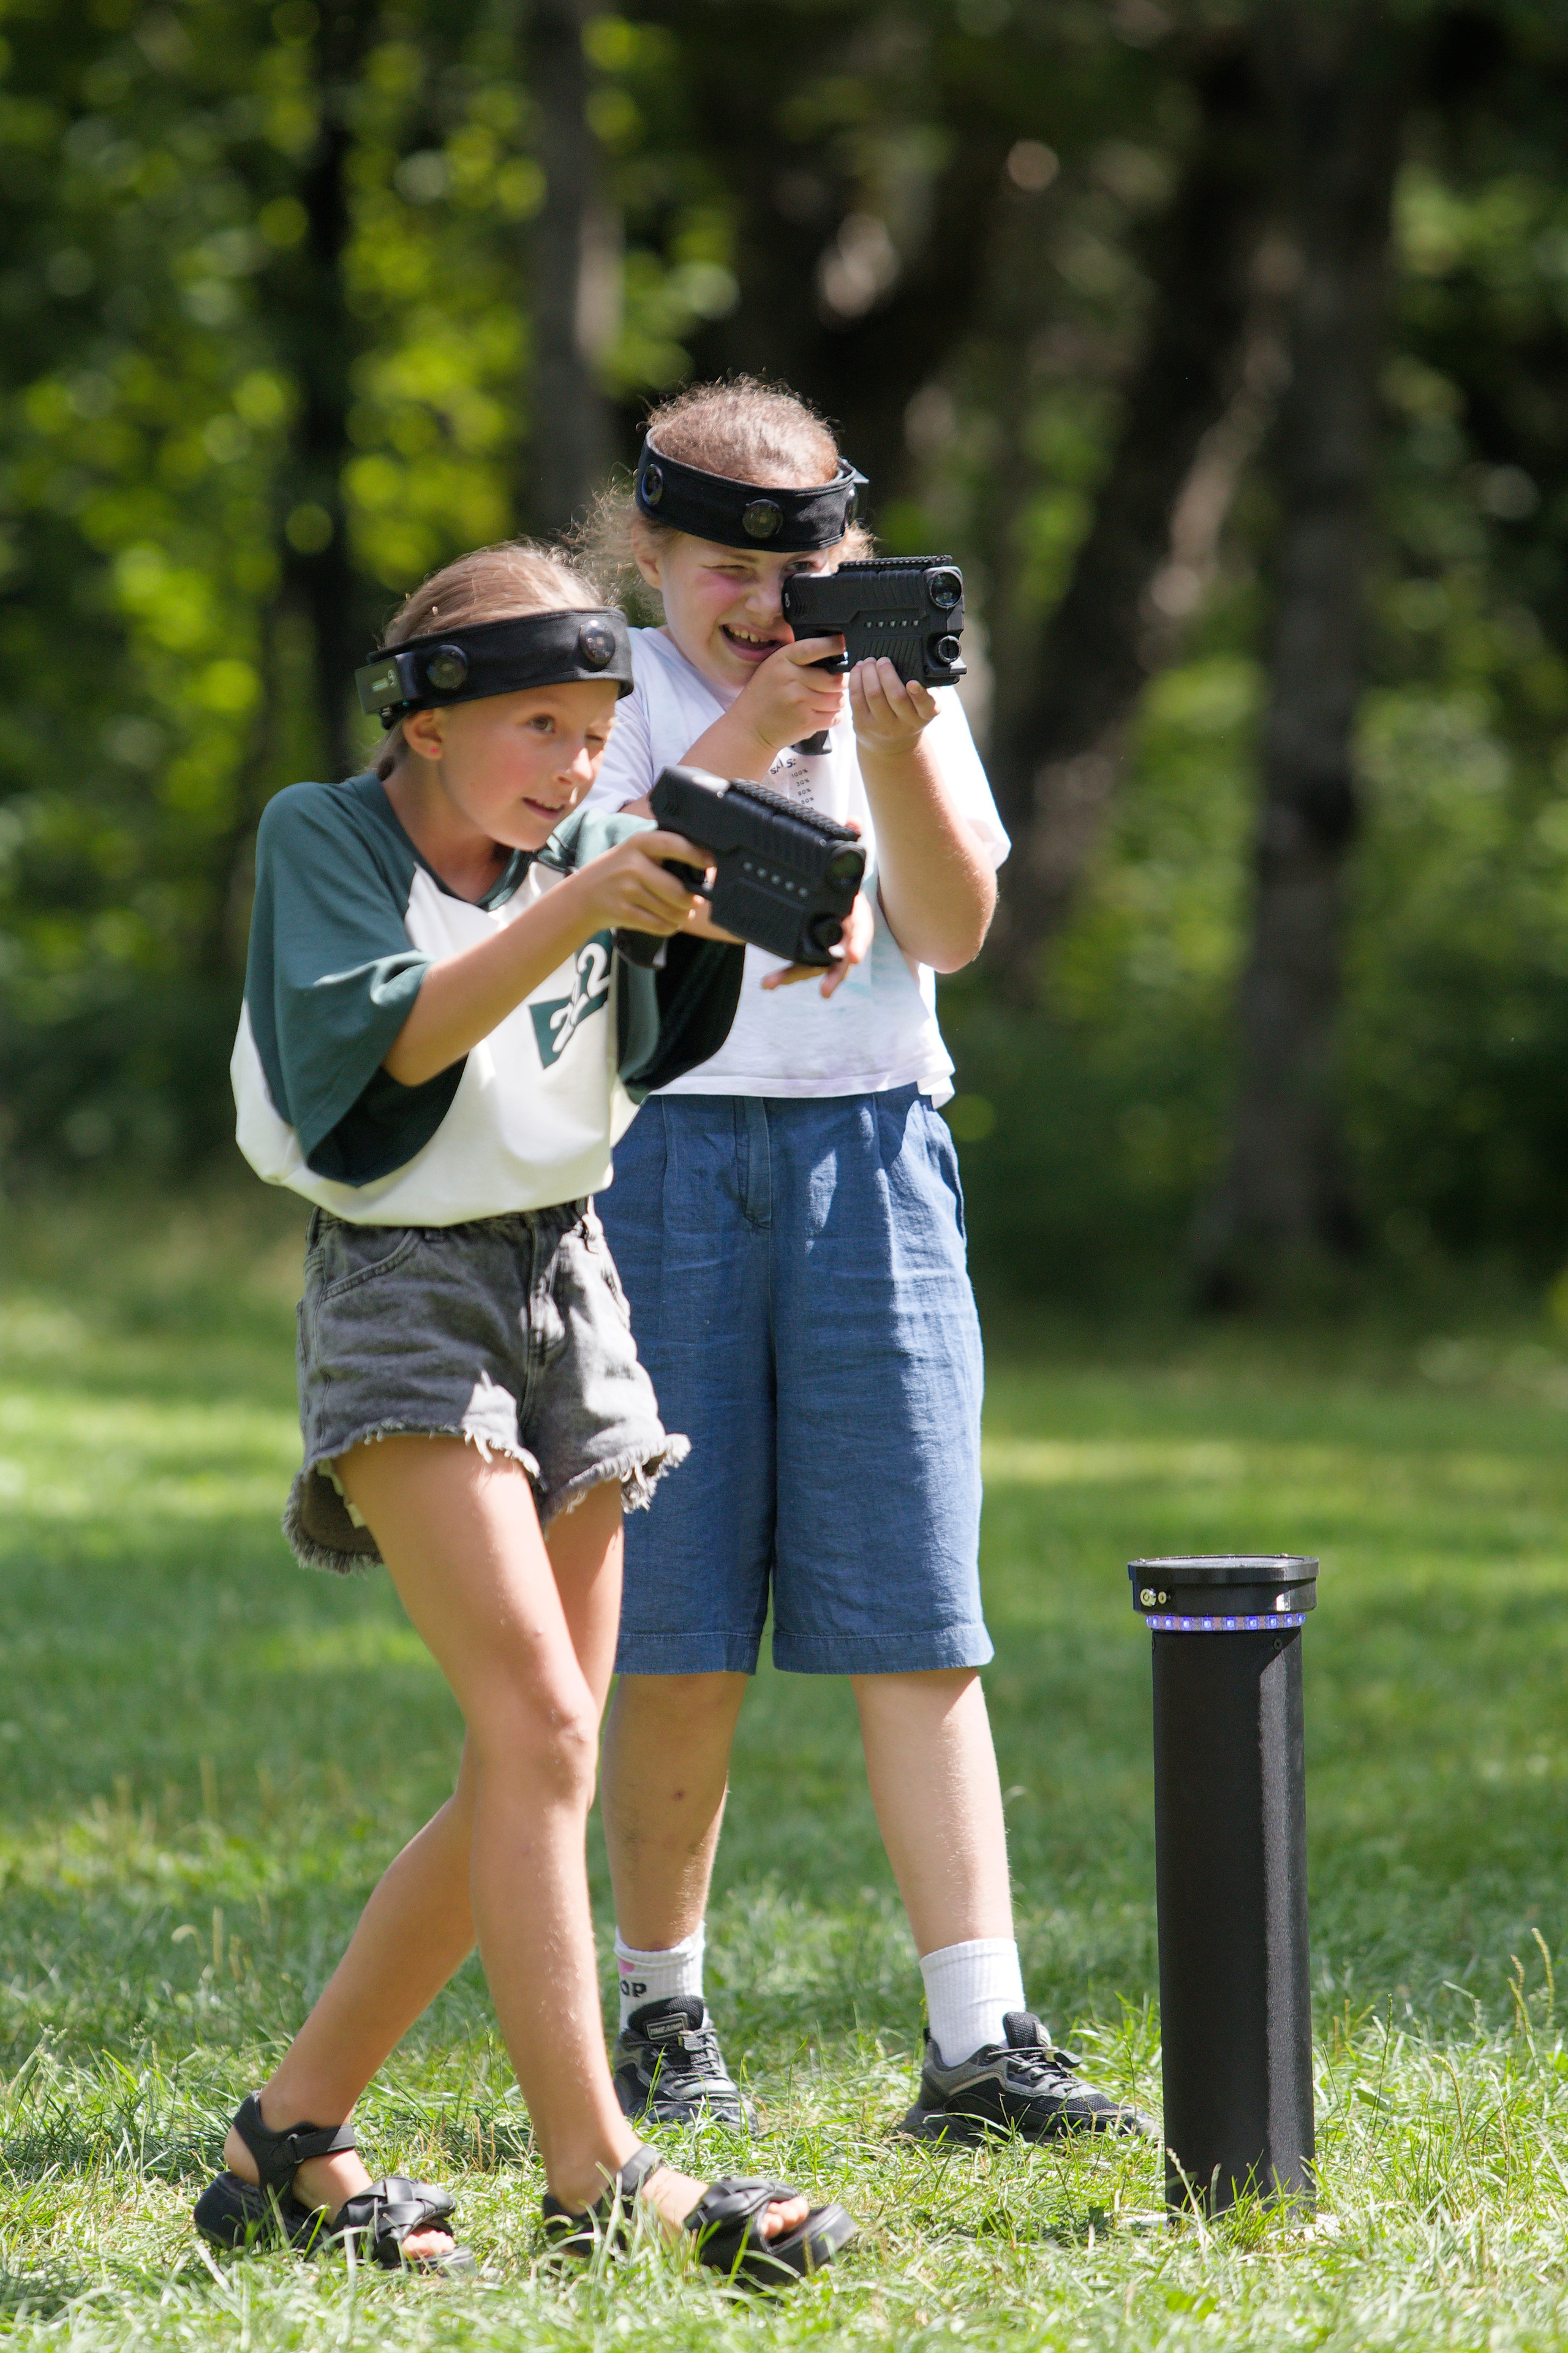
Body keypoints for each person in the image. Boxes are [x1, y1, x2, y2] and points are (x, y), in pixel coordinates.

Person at [203, 538, 856, 2286]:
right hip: (405, 1289)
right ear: (421, 722)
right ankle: (600, 2174)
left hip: (575, 1281)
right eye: (542, 727)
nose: (578, 763)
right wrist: (591, 895)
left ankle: (288, 2140)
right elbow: (389, 1054)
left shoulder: (580, 844)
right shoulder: (321, 835)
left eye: (593, 730)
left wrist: (757, 917)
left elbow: (641, 1002)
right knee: (546, 1730)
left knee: (532, 1753)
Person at [586, 381, 1153, 2145]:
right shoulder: (608, 693)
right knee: (672, 1627)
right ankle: (660, 2006)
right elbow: (608, 875)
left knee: (919, 1614)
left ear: (853, 561)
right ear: (650, 555)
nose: (763, 610)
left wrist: (894, 747)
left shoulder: (892, 697)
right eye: (723, 574)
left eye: (801, 572)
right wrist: (758, 726)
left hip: (873, 1158)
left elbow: (955, 926)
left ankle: (978, 2033)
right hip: (656, 1158)